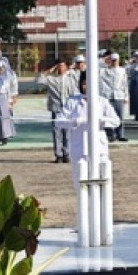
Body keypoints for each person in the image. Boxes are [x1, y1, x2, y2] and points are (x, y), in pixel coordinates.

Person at [54, 70, 120, 230]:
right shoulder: (73, 102)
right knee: (81, 185)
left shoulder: (102, 101)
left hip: (99, 149)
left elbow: (116, 121)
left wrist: (101, 121)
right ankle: (84, 222)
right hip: (80, 148)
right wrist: (74, 122)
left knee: (103, 183)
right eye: (84, 83)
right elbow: (59, 121)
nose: (87, 87)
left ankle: (102, 223)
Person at [37, 58, 77, 163]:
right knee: (56, 131)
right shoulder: (51, 79)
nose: (60, 68)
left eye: (62, 65)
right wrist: (50, 70)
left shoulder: (70, 79)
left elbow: (74, 94)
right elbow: (39, 80)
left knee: (67, 132)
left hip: (67, 108)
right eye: (58, 66)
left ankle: (66, 153)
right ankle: (58, 154)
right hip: (56, 107)